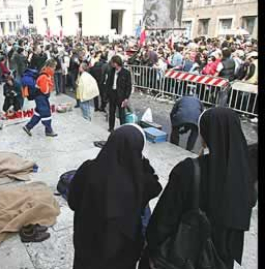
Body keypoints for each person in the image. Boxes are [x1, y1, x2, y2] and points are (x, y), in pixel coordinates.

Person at [143, 107, 256, 269]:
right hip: (219, 261)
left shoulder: (190, 170)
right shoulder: (245, 177)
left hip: (183, 258)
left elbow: (163, 221)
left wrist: (151, 248)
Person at [68, 124, 162, 269]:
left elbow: (73, 202)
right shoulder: (139, 181)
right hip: (121, 255)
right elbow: (156, 186)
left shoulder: (87, 169)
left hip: (86, 247)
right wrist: (141, 161)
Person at [23, 59, 58, 137]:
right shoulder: (44, 76)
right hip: (41, 98)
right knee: (46, 113)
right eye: (54, 67)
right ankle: (49, 130)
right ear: (50, 67)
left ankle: (28, 127)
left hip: (40, 97)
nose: (55, 69)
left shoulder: (44, 74)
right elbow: (44, 90)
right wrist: (50, 85)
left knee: (38, 114)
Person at [106, 55, 132, 132]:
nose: (111, 64)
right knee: (112, 112)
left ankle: (122, 129)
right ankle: (111, 127)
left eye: (112, 63)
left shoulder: (126, 73)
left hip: (121, 96)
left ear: (116, 63)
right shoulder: (111, 71)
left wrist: (126, 98)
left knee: (121, 114)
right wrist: (107, 93)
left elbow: (128, 86)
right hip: (112, 94)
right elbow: (108, 83)